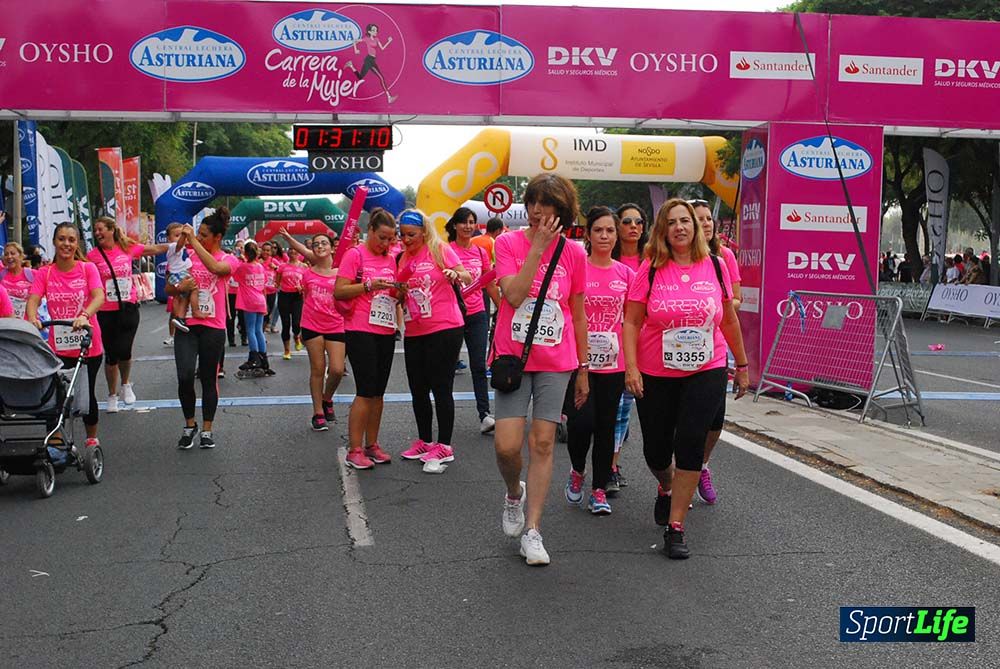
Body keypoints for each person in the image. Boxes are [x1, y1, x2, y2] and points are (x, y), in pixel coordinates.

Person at [623, 198, 750, 560]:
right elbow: (631, 321)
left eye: (686, 221)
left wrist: (741, 365)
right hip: (656, 371)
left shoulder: (715, 264)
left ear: (695, 227)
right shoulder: (649, 269)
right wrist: (631, 368)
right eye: (672, 222)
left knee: (691, 441)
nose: (680, 227)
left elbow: (727, 319)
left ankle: (675, 526)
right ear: (662, 230)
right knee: (657, 449)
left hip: (705, 368)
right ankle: (666, 485)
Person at [493, 173, 589, 566]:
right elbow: (513, 295)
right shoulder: (507, 242)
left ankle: (533, 530)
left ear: (561, 211)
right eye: (532, 202)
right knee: (507, 446)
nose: (536, 210)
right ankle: (513, 493)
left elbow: (578, 314)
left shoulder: (575, 254)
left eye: (546, 204)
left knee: (544, 443)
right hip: (513, 359)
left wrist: (583, 368)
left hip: (557, 360)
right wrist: (537, 249)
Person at [562, 206, 633, 515]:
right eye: (598, 230)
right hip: (579, 363)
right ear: (588, 234)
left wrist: (633, 366)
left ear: (616, 236)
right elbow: (566, 314)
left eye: (610, 231)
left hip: (613, 365)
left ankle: (599, 489)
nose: (605, 236)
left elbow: (632, 323)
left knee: (606, 427)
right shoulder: (578, 269)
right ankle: (578, 470)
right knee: (581, 423)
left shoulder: (626, 274)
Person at [393, 209, 472, 464]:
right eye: (402, 234)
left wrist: (454, 275)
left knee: (441, 387)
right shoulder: (401, 257)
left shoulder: (439, 249)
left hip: (445, 327)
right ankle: (424, 441)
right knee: (417, 388)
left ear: (424, 231)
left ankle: (445, 445)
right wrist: (400, 290)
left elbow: (468, 276)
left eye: (411, 235)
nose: (406, 239)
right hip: (415, 328)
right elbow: (398, 294)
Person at [25, 223, 105, 454]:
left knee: (85, 394)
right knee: (56, 396)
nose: (66, 244)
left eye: (71, 240)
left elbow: (98, 296)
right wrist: (32, 318)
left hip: (87, 343)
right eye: (61, 239)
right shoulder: (45, 273)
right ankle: (57, 440)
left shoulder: (87, 269)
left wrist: (84, 315)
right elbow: (33, 299)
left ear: (77, 243)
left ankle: (91, 439)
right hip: (57, 347)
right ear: (54, 242)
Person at [334, 209, 400, 469]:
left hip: (385, 328)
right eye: (382, 238)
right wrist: (368, 286)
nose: (386, 244)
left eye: (390, 239)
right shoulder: (355, 254)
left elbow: (394, 292)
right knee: (365, 390)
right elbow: (339, 291)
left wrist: (399, 292)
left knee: (379, 393)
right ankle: (355, 449)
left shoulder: (392, 258)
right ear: (370, 231)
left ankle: (372, 444)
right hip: (360, 329)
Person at [167, 209, 234, 450]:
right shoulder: (185, 257)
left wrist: (194, 243)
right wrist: (178, 287)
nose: (198, 237)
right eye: (198, 234)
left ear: (217, 237)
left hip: (212, 327)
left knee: (208, 378)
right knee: (185, 376)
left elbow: (217, 268)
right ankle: (189, 424)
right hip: (186, 325)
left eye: (204, 235)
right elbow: (168, 288)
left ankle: (207, 428)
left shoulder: (229, 258)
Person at [87, 216, 170, 413]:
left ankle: (125, 384)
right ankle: (112, 394)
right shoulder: (92, 256)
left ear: (111, 230)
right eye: (95, 230)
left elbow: (155, 249)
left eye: (101, 229)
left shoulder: (126, 248)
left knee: (124, 349)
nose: (97, 233)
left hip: (128, 307)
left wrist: (181, 242)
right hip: (106, 310)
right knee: (111, 355)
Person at [692, 199, 743, 504]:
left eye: (708, 218)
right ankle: (680, 472)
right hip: (678, 349)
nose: (706, 224)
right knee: (682, 419)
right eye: (699, 218)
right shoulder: (675, 257)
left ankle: (702, 466)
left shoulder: (724, 257)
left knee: (715, 419)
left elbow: (735, 299)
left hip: (715, 346)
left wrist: (714, 307)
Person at [280, 229, 346, 431]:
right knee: (317, 369)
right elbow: (305, 297)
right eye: (316, 244)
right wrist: (290, 238)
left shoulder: (342, 271)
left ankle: (327, 399)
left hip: (336, 324)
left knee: (336, 369)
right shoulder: (307, 272)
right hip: (311, 325)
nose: (320, 246)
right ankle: (318, 412)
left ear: (332, 247)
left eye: (324, 243)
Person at [446, 207, 501, 434]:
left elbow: (489, 282)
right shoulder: (446, 250)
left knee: (479, 365)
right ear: (455, 225)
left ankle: (484, 415)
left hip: (477, 314)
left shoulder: (480, 252)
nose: (468, 226)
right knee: (447, 367)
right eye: (464, 222)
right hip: (452, 315)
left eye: (472, 222)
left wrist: (503, 307)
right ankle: (445, 411)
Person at [608, 202, 650, 492]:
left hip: (646, 346)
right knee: (616, 410)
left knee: (626, 411)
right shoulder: (604, 260)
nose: (633, 226)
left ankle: (612, 461)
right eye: (626, 221)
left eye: (638, 221)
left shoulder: (654, 259)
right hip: (610, 345)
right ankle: (609, 466)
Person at [231, 241, 272, 377]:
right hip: (260, 300)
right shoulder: (260, 266)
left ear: (245, 253)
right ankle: (263, 358)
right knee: (259, 330)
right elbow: (264, 284)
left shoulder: (243, 267)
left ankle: (254, 357)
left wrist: (240, 258)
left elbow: (234, 275)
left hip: (249, 301)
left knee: (250, 330)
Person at [345, 23, 396, 103]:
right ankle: (389, 97)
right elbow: (355, 41)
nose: (375, 32)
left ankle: (351, 65)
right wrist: (355, 50)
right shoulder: (366, 39)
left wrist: (388, 41)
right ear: (369, 31)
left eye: (376, 30)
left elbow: (382, 48)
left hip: (372, 60)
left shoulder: (377, 39)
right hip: (369, 60)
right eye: (373, 30)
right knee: (381, 78)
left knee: (360, 77)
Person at [163, 222, 197, 332]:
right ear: (169, 238)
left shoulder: (184, 249)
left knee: (179, 296)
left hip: (177, 273)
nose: (181, 238)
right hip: (178, 274)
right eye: (177, 236)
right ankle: (189, 313)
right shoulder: (173, 247)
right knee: (192, 289)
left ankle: (178, 317)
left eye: (181, 235)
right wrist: (184, 234)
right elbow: (179, 245)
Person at [275, 246, 307, 359]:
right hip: (284, 296)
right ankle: (287, 350)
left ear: (299, 253)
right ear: (287, 252)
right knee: (285, 323)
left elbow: (307, 284)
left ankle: (296, 336)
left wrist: (301, 287)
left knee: (297, 323)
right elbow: (277, 281)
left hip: (297, 297)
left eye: (295, 250)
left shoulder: (304, 267)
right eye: (291, 250)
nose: (293, 252)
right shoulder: (282, 266)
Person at [1, 242, 35, 319]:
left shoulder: (33, 274)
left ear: (21, 256)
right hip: (6, 324)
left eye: (12, 253)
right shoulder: (1, 274)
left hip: (28, 324)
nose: (9, 256)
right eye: (6, 254)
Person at [226, 240, 246, 347]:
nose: (240, 250)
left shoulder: (246, 260)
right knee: (231, 316)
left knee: (243, 317)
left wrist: (244, 259)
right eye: (238, 248)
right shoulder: (231, 259)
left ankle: (244, 337)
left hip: (242, 293)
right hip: (231, 292)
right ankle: (231, 338)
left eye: (242, 248)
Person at [260, 242, 281, 333]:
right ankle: (259, 332)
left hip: (272, 291)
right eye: (264, 250)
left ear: (271, 252)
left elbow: (281, 272)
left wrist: (275, 268)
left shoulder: (274, 261)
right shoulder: (258, 261)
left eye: (268, 250)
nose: (266, 252)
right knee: (262, 312)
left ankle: (262, 331)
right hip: (260, 292)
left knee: (268, 313)